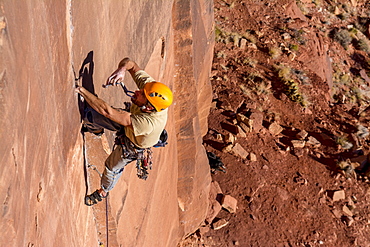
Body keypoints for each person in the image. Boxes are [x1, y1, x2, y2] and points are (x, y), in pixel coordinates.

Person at [75, 57, 173, 206]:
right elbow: (130, 63)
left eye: (141, 95)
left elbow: (107, 111)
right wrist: (122, 70)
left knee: (111, 167)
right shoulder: (151, 90)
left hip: (134, 143)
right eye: (142, 90)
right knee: (90, 116)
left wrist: (81, 90)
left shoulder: (148, 123)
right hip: (130, 122)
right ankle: (96, 130)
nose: (138, 91)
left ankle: (103, 192)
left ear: (149, 108)